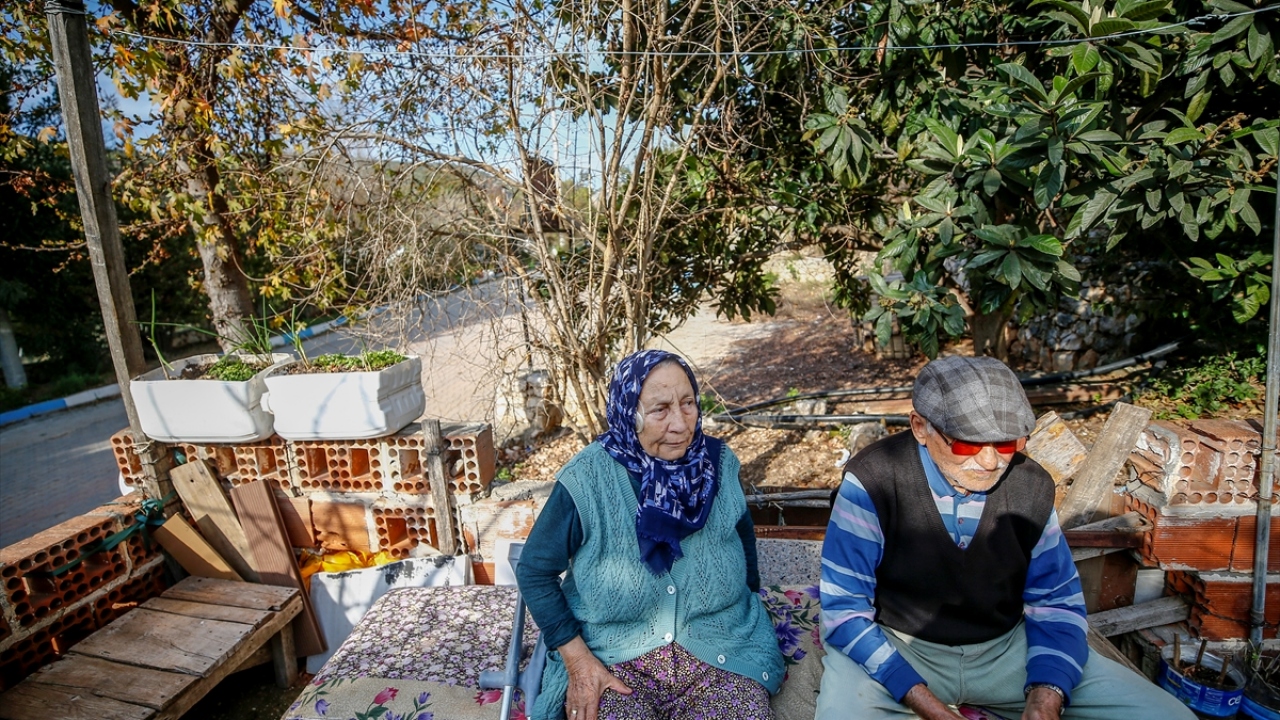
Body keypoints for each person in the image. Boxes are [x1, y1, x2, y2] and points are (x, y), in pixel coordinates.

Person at [815, 355, 1196, 720]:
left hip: (1006, 651)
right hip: (901, 645)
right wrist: (929, 707)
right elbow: (845, 608)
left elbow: (1056, 601)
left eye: (1008, 443)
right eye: (967, 444)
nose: (991, 461)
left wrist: (1046, 695)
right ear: (920, 428)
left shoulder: (1030, 486)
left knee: (1167, 715)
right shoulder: (872, 481)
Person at [517, 349, 784, 720]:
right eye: (660, 410)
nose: (681, 424)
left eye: (688, 403)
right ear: (631, 414)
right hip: (614, 662)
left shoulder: (718, 464)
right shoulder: (588, 478)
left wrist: (741, 608)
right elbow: (533, 571)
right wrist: (578, 661)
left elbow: (742, 537)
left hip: (721, 653)